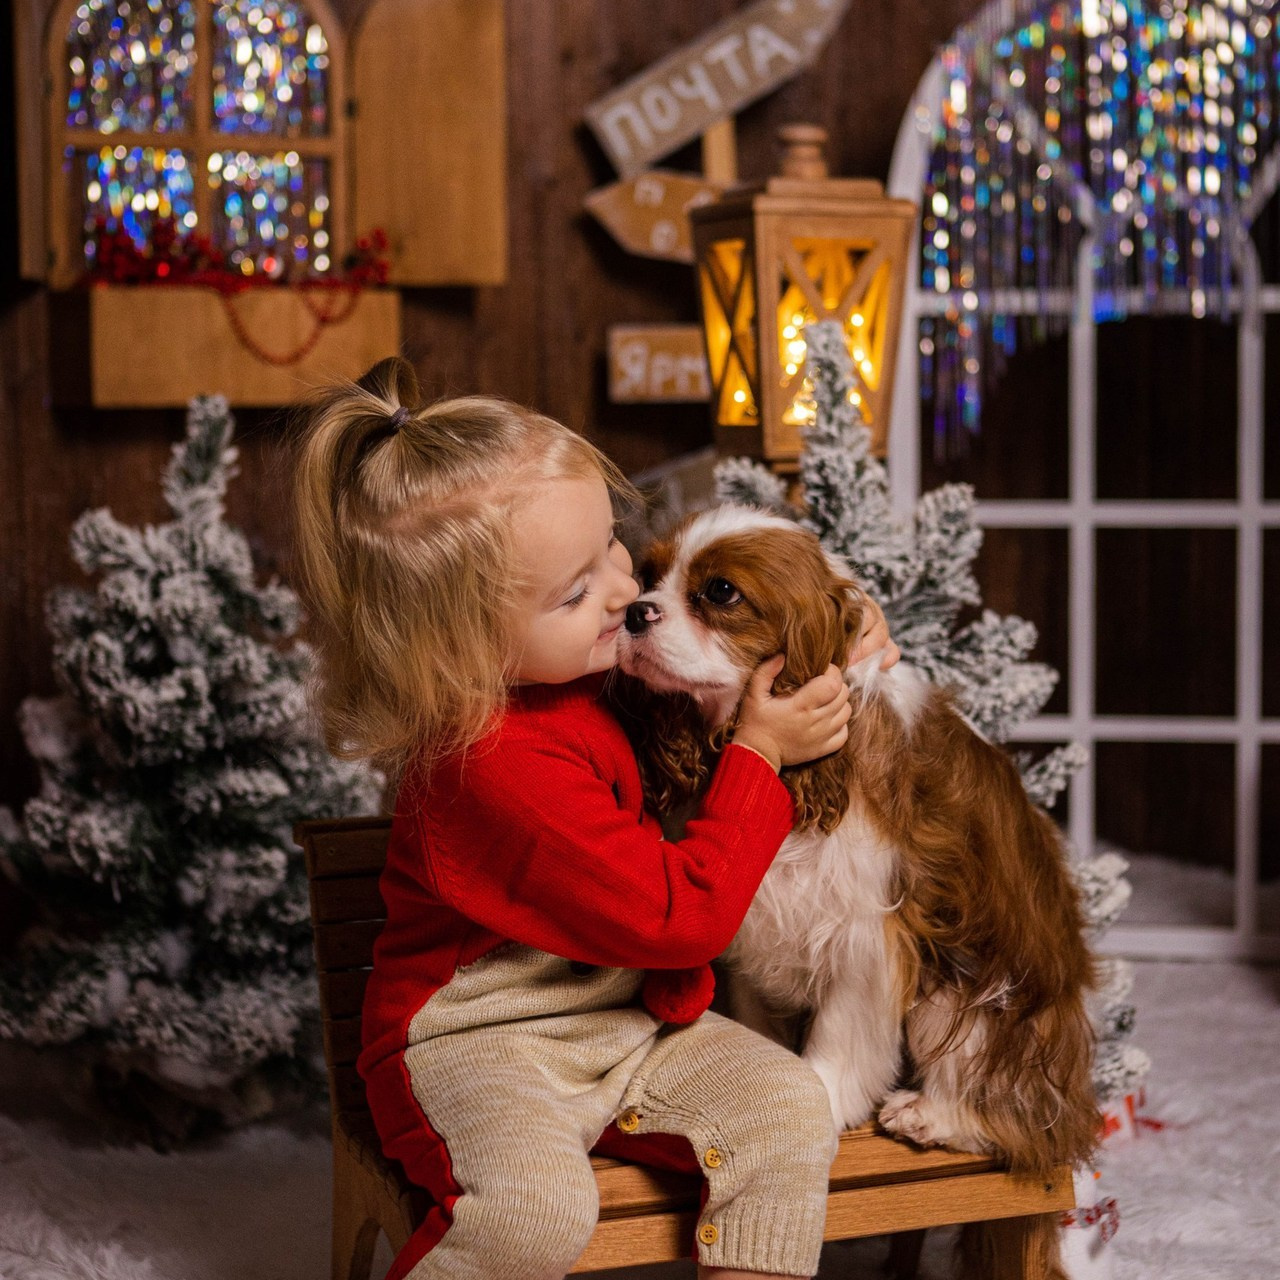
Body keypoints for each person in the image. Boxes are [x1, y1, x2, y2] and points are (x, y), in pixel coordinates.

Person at [293, 357, 897, 1280]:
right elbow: (678, 917)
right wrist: (761, 757)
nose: (623, 590)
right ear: (462, 654)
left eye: (613, 546)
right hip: (480, 1046)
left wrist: (842, 624)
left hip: (618, 1022)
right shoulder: (488, 767)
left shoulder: (585, 661)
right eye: (575, 591)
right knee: (536, 1209)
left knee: (786, 1106)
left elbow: (715, 653)